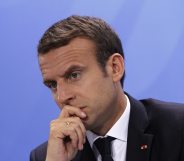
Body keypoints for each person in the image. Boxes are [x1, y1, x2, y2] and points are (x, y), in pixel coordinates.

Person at [30, 15, 184, 161]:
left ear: (115, 68)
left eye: (74, 75)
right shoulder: (47, 155)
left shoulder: (178, 129)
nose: (62, 97)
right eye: (52, 85)